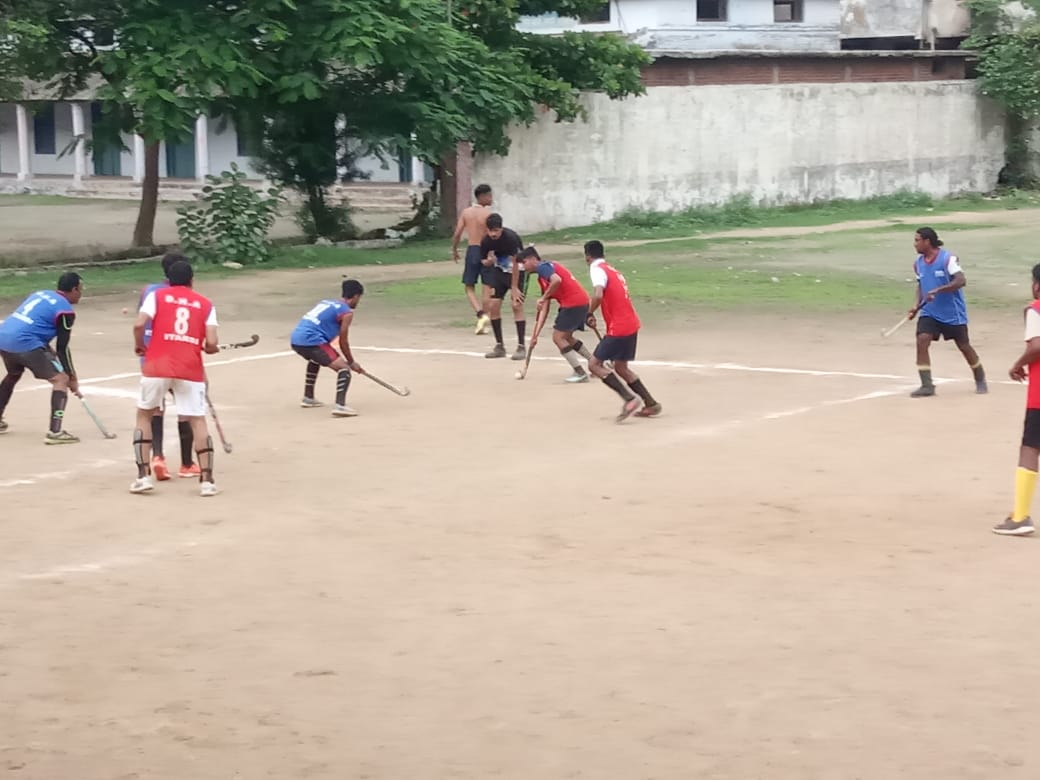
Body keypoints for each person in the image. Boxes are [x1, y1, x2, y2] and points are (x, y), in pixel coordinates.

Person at [130, 260, 220, 496]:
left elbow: (139, 324)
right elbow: (211, 342)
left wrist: (140, 346)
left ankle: (142, 476)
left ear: (168, 279)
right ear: (192, 280)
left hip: (157, 364)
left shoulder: (157, 296)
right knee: (197, 419)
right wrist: (211, 348)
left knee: (144, 414)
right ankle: (207, 481)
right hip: (190, 367)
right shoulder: (206, 303)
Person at [0, 272, 84, 444]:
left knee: (13, 374)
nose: (81, 293)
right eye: (80, 289)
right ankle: (55, 432)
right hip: (24, 342)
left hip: (4, 337)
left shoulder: (40, 294)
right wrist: (72, 377)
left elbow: (33, 325)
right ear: (74, 289)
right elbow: (63, 349)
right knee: (60, 379)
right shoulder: (65, 311)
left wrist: (48, 352)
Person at [584, 240, 662, 423]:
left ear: (587, 257)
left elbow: (598, 295)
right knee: (621, 368)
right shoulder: (613, 270)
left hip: (619, 327)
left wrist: (588, 312)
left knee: (594, 365)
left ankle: (629, 399)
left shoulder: (596, 269)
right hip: (630, 323)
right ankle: (651, 404)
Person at [138, 253, 200, 481]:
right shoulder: (187, 297)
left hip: (150, 357)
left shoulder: (148, 291)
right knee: (187, 409)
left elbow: (141, 321)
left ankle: (158, 457)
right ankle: (186, 463)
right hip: (179, 357)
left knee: (155, 408)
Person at [906, 227, 987, 398]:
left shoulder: (947, 259)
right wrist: (916, 305)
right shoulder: (918, 264)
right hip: (929, 312)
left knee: (964, 346)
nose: (915, 244)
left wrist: (938, 290)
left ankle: (980, 377)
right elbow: (921, 285)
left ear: (927, 241)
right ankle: (927, 385)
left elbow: (961, 281)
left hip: (953, 313)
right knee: (922, 340)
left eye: (917, 240)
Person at [994, 263, 1040, 536]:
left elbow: (1037, 345)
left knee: (1030, 448)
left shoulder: (1035, 309)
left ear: (1036, 285)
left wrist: (1017, 364)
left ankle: (1021, 516)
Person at [289, 279, 366, 417]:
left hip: (296, 339)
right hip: (311, 340)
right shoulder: (346, 312)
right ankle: (340, 406)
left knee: (315, 359)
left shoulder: (326, 302)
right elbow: (343, 341)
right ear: (355, 296)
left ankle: (308, 397)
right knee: (343, 368)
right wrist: (351, 362)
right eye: (359, 298)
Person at [518, 247, 592, 383]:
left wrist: (543, 297)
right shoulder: (542, 278)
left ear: (533, 259)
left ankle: (580, 372)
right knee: (567, 337)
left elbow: (557, 280)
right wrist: (536, 335)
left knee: (558, 337)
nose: (523, 267)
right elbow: (544, 308)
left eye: (524, 262)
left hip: (574, 303)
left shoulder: (543, 267)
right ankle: (594, 363)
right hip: (579, 302)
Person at [479, 213, 527, 360]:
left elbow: (516, 263)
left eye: (496, 231)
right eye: (490, 230)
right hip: (499, 271)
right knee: (493, 305)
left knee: (516, 305)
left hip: (517, 271)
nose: (493, 234)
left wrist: (514, 287)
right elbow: (484, 260)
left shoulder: (511, 238)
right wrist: (488, 261)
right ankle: (499, 345)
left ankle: (521, 346)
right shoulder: (486, 241)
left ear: (501, 229)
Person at [451, 183, 494, 335]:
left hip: (473, 250)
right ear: (482, 197)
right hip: (486, 249)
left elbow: (457, 234)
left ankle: (480, 314)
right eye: (489, 195)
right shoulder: (488, 215)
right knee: (487, 287)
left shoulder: (466, 212)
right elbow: (492, 234)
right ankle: (485, 318)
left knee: (469, 286)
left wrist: (454, 249)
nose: (491, 198)